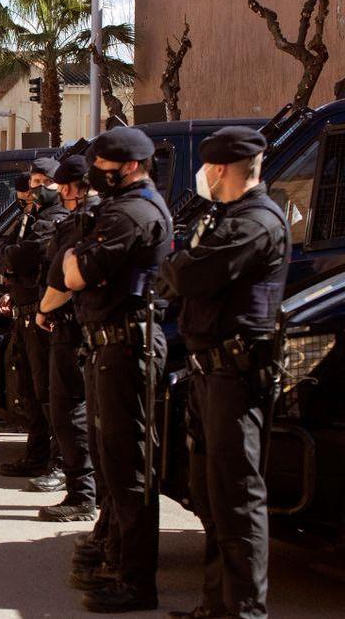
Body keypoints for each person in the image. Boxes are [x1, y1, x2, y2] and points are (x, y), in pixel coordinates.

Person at [159, 127, 288, 619]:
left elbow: (188, 274)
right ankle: (217, 605)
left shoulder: (256, 221)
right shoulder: (226, 217)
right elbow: (180, 272)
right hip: (211, 374)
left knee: (237, 498)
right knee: (213, 498)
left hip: (237, 377)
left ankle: (243, 610)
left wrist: (181, 265)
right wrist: (181, 265)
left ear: (217, 169)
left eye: (205, 169)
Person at [62, 126, 172, 613]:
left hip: (128, 348)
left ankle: (135, 578)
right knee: (114, 459)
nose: (94, 177)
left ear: (128, 166)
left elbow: (74, 273)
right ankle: (116, 555)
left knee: (129, 467)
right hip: (113, 346)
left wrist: (73, 258)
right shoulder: (123, 207)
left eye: (101, 168)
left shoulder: (133, 212)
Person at [37, 155, 101, 522]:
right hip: (80, 325)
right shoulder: (89, 217)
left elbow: (63, 275)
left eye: (65, 186)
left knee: (69, 411)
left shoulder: (83, 221)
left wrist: (44, 309)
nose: (61, 192)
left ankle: (83, 494)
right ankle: (85, 492)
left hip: (70, 324)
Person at [0, 159, 68, 480]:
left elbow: (23, 255)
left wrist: (13, 258)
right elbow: (4, 254)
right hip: (24, 310)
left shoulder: (56, 219)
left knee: (48, 391)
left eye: (43, 183)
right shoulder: (33, 218)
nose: (36, 189)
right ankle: (36, 453)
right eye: (34, 183)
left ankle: (58, 460)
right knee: (29, 387)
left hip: (42, 314)